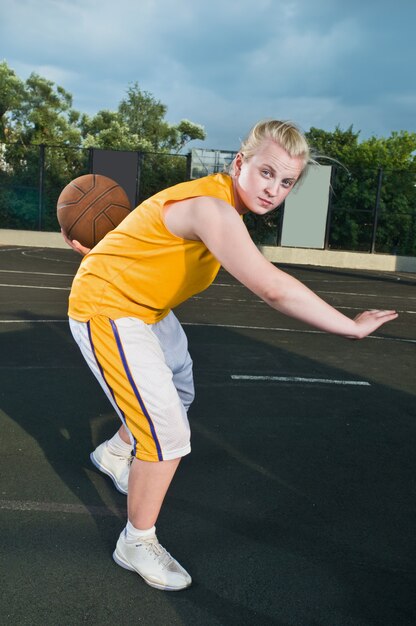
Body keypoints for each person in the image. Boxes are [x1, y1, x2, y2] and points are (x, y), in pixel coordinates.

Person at [64, 120, 398, 592]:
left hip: (145, 305)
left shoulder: (223, 207)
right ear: (240, 163)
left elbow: (142, 234)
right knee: (167, 434)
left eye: (286, 183)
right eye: (266, 173)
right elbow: (272, 287)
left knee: (179, 383)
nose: (273, 189)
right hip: (109, 308)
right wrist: (350, 326)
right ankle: (135, 541)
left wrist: (108, 252)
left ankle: (115, 450)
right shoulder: (212, 209)